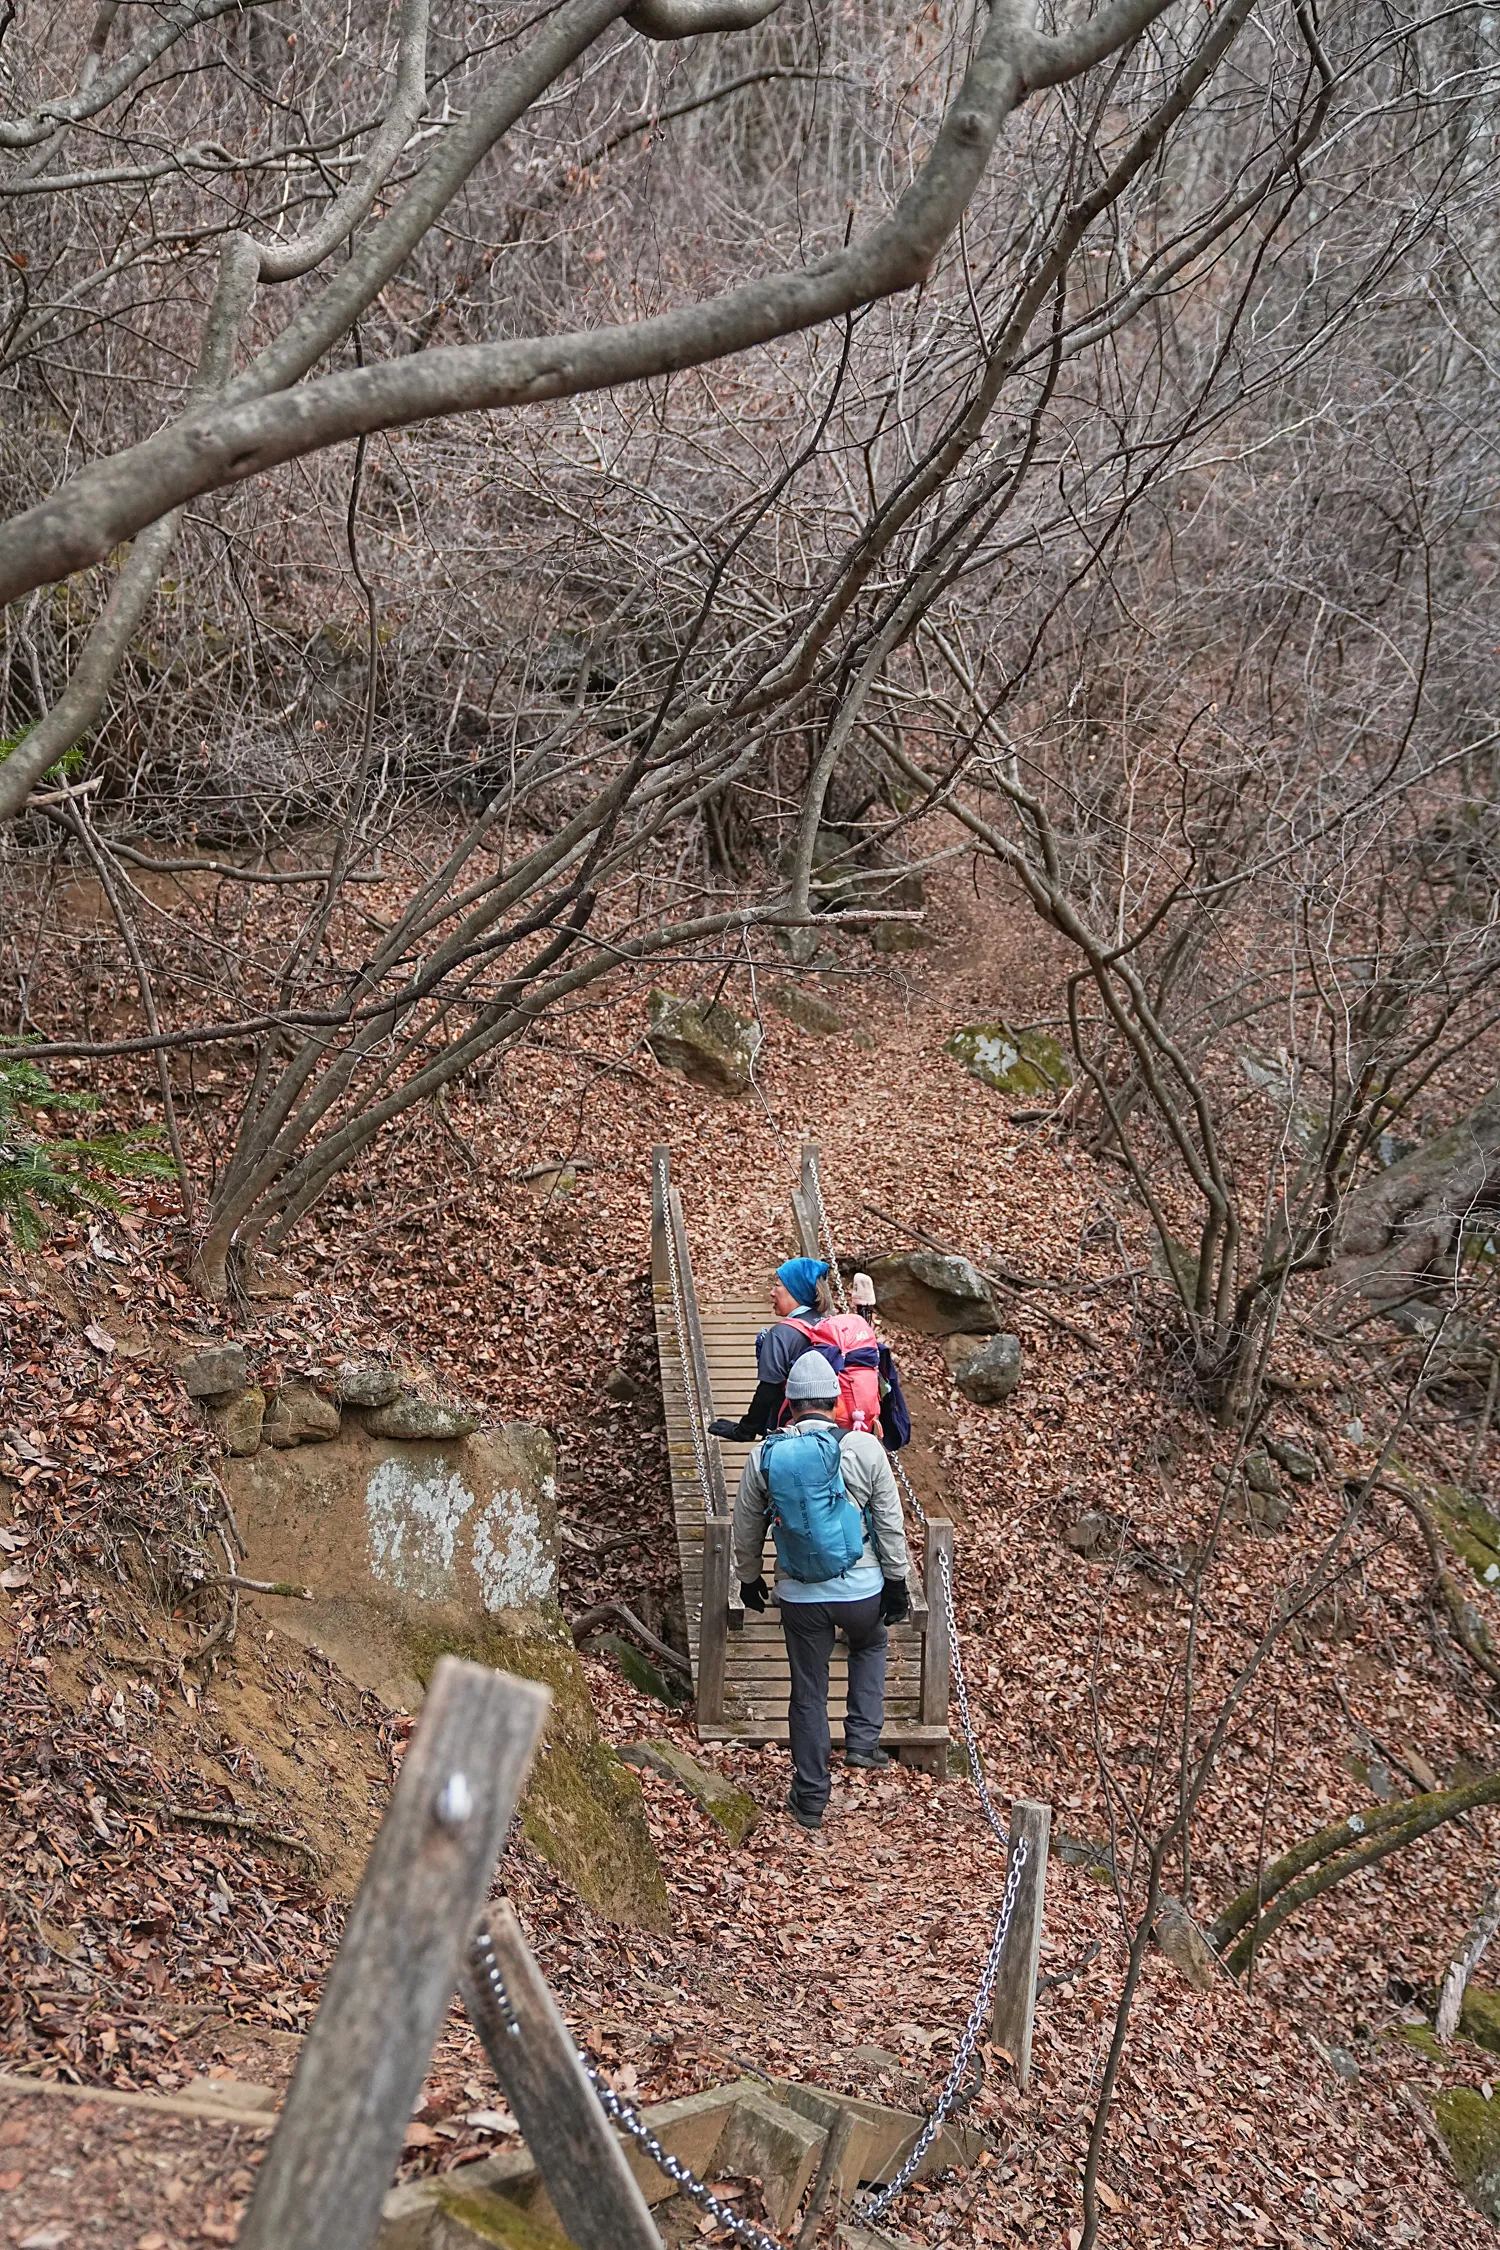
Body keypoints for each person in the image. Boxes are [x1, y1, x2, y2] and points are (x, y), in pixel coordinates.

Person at [732, 1350, 911, 1831]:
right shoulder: (865, 1448)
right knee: (870, 1644)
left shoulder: (765, 1455)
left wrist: (750, 1578)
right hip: (862, 1590)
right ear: (836, 1402)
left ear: (787, 1405)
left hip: (801, 1596)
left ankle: (810, 1797)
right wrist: (896, 1582)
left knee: (808, 1691)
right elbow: (890, 1525)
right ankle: (862, 1743)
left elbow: (746, 1525)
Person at [708, 1255, 831, 1442]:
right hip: (827, 1427)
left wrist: (744, 1430)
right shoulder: (826, 1324)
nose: (772, 1292)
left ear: (795, 1290)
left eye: (778, 1285)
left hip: (788, 1428)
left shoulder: (781, 1333)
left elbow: (768, 1391)